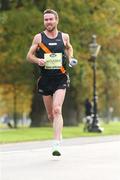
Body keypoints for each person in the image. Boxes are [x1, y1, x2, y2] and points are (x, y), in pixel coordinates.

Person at [27, 9, 75, 156]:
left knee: (57, 109)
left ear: (56, 20)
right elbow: (29, 56)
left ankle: (56, 144)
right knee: (50, 115)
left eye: (50, 19)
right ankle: (58, 132)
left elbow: (69, 48)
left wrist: (71, 58)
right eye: (46, 19)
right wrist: (37, 60)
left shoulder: (64, 37)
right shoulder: (39, 38)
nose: (48, 22)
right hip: (45, 80)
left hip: (60, 78)